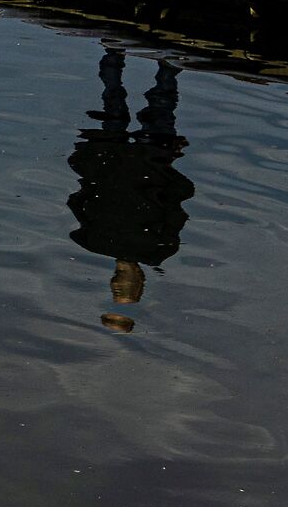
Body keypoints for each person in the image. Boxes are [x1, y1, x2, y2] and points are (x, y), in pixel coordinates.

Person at [67, 46, 194, 331]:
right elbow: (79, 198)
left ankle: (164, 59)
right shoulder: (92, 240)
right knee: (117, 104)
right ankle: (116, 52)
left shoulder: (159, 248)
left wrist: (170, 168)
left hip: (148, 164)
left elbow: (176, 202)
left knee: (159, 103)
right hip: (115, 161)